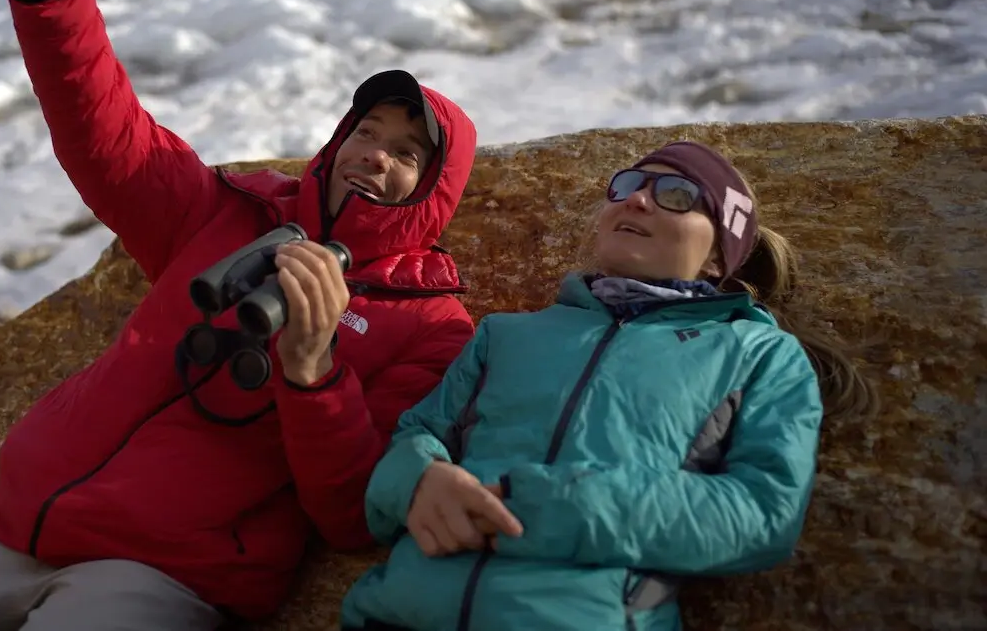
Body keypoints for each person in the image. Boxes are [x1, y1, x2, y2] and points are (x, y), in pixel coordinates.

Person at [0, 0, 479, 631]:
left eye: (407, 152)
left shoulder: (430, 329)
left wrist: (312, 368)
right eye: (367, 131)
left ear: (434, 190)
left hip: (163, 575)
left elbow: (353, 512)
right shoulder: (233, 214)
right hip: (14, 530)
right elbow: (109, 141)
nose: (374, 154)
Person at [339, 140, 876, 631]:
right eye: (627, 185)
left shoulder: (757, 354)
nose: (637, 201)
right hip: (393, 615)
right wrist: (418, 481)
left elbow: (762, 515)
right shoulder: (507, 335)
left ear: (717, 257)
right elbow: (411, 436)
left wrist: (560, 506)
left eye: (676, 194)